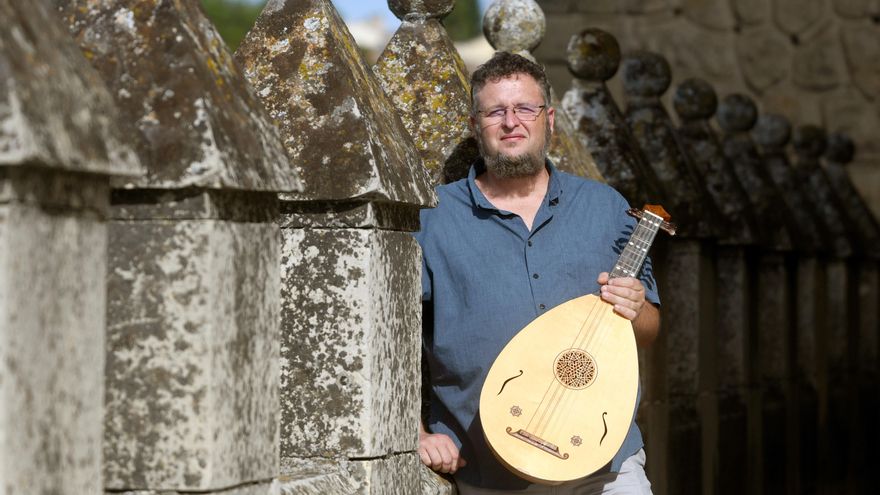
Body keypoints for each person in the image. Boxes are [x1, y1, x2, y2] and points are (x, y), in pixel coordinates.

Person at [413, 52, 661, 494]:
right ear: (476, 125)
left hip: (602, 460)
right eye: (495, 111)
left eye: (525, 108)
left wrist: (636, 306)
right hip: (488, 467)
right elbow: (389, 335)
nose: (511, 122)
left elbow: (648, 328)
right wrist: (413, 432)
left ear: (548, 119)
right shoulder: (433, 217)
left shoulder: (606, 208)